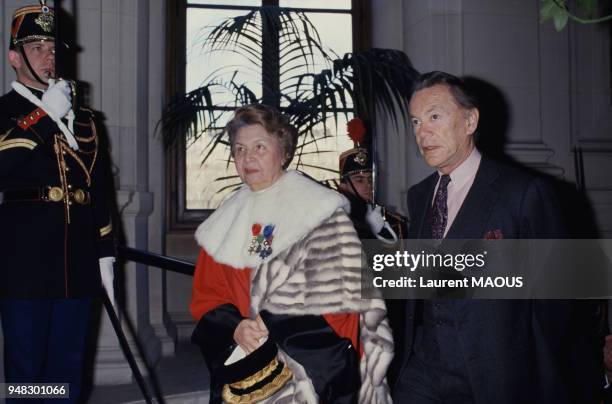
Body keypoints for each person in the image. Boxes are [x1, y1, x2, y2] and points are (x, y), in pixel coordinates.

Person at [393, 71, 601, 403]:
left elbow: (558, 304)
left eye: (434, 116)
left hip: (493, 378)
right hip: (423, 373)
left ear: (470, 120)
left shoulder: (524, 194)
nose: (422, 132)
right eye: (416, 121)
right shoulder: (419, 196)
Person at [190, 104, 394, 403]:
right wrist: (235, 328)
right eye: (240, 149)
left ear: (283, 150)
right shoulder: (224, 221)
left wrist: (274, 319)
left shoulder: (320, 211)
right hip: (247, 366)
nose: (248, 157)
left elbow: (343, 294)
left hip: (309, 366)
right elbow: (208, 295)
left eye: (260, 146)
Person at [0, 4, 115, 403]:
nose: (49, 56)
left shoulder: (84, 119)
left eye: (52, 47)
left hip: (78, 260)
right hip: (25, 261)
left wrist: (104, 255)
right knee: (27, 370)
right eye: (36, 49)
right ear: (15, 58)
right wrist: (45, 115)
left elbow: (98, 189)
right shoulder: (5, 112)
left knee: (68, 368)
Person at [338, 117, 407, 245]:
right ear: (343, 185)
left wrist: (383, 231)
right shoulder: (334, 220)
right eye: (359, 180)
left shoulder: (391, 220)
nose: (368, 185)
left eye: (370, 179)